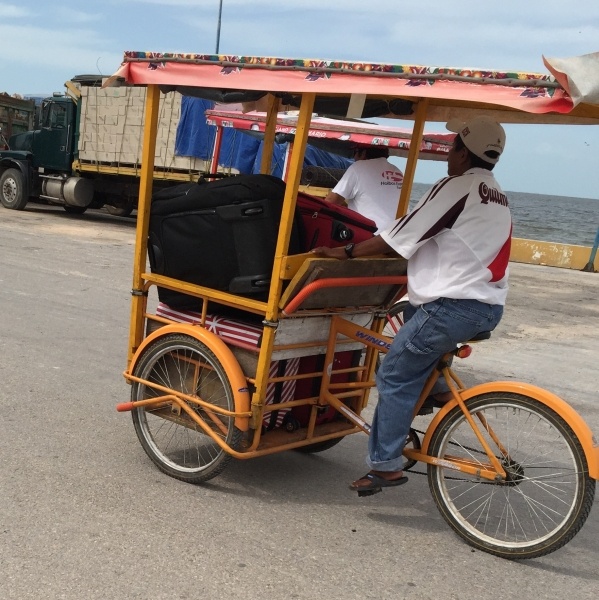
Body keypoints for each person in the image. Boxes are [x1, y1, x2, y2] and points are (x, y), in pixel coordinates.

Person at [312, 115, 511, 494]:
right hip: (485, 305)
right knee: (405, 315)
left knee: (393, 376)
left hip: (452, 307)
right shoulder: (495, 192)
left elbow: (400, 236)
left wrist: (345, 253)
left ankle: (384, 466)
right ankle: (435, 387)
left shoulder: (457, 186)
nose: (448, 155)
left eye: (452, 147)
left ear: (463, 154)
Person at [324, 146, 404, 232]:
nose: (354, 157)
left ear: (363, 153)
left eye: (355, 152)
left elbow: (330, 202)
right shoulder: (397, 171)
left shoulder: (358, 166)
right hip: (397, 235)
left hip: (370, 235)